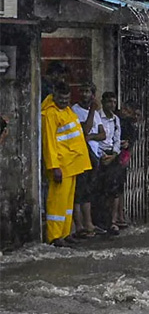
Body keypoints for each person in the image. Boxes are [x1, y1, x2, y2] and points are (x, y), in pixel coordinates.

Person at [41, 81, 92, 247]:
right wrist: (54, 167)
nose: (64, 102)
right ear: (54, 95)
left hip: (73, 164)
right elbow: (49, 143)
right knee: (57, 202)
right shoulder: (50, 114)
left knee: (68, 203)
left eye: (66, 99)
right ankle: (55, 236)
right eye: (61, 99)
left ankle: (65, 232)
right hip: (61, 166)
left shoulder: (67, 110)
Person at [71, 83, 106, 237]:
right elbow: (84, 130)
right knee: (80, 192)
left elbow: (102, 134)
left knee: (88, 192)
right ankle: (79, 226)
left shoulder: (96, 114)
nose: (85, 95)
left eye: (88, 92)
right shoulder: (75, 111)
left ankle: (89, 224)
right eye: (83, 91)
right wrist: (92, 110)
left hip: (94, 155)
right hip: (80, 155)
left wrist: (91, 136)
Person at [94, 92, 123, 235]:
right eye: (109, 102)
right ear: (103, 102)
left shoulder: (116, 119)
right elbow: (94, 138)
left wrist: (114, 154)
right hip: (100, 154)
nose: (112, 105)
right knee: (99, 190)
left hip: (112, 155)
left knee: (114, 189)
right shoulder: (97, 117)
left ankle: (113, 222)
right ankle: (100, 222)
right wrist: (102, 155)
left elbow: (117, 139)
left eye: (114, 102)